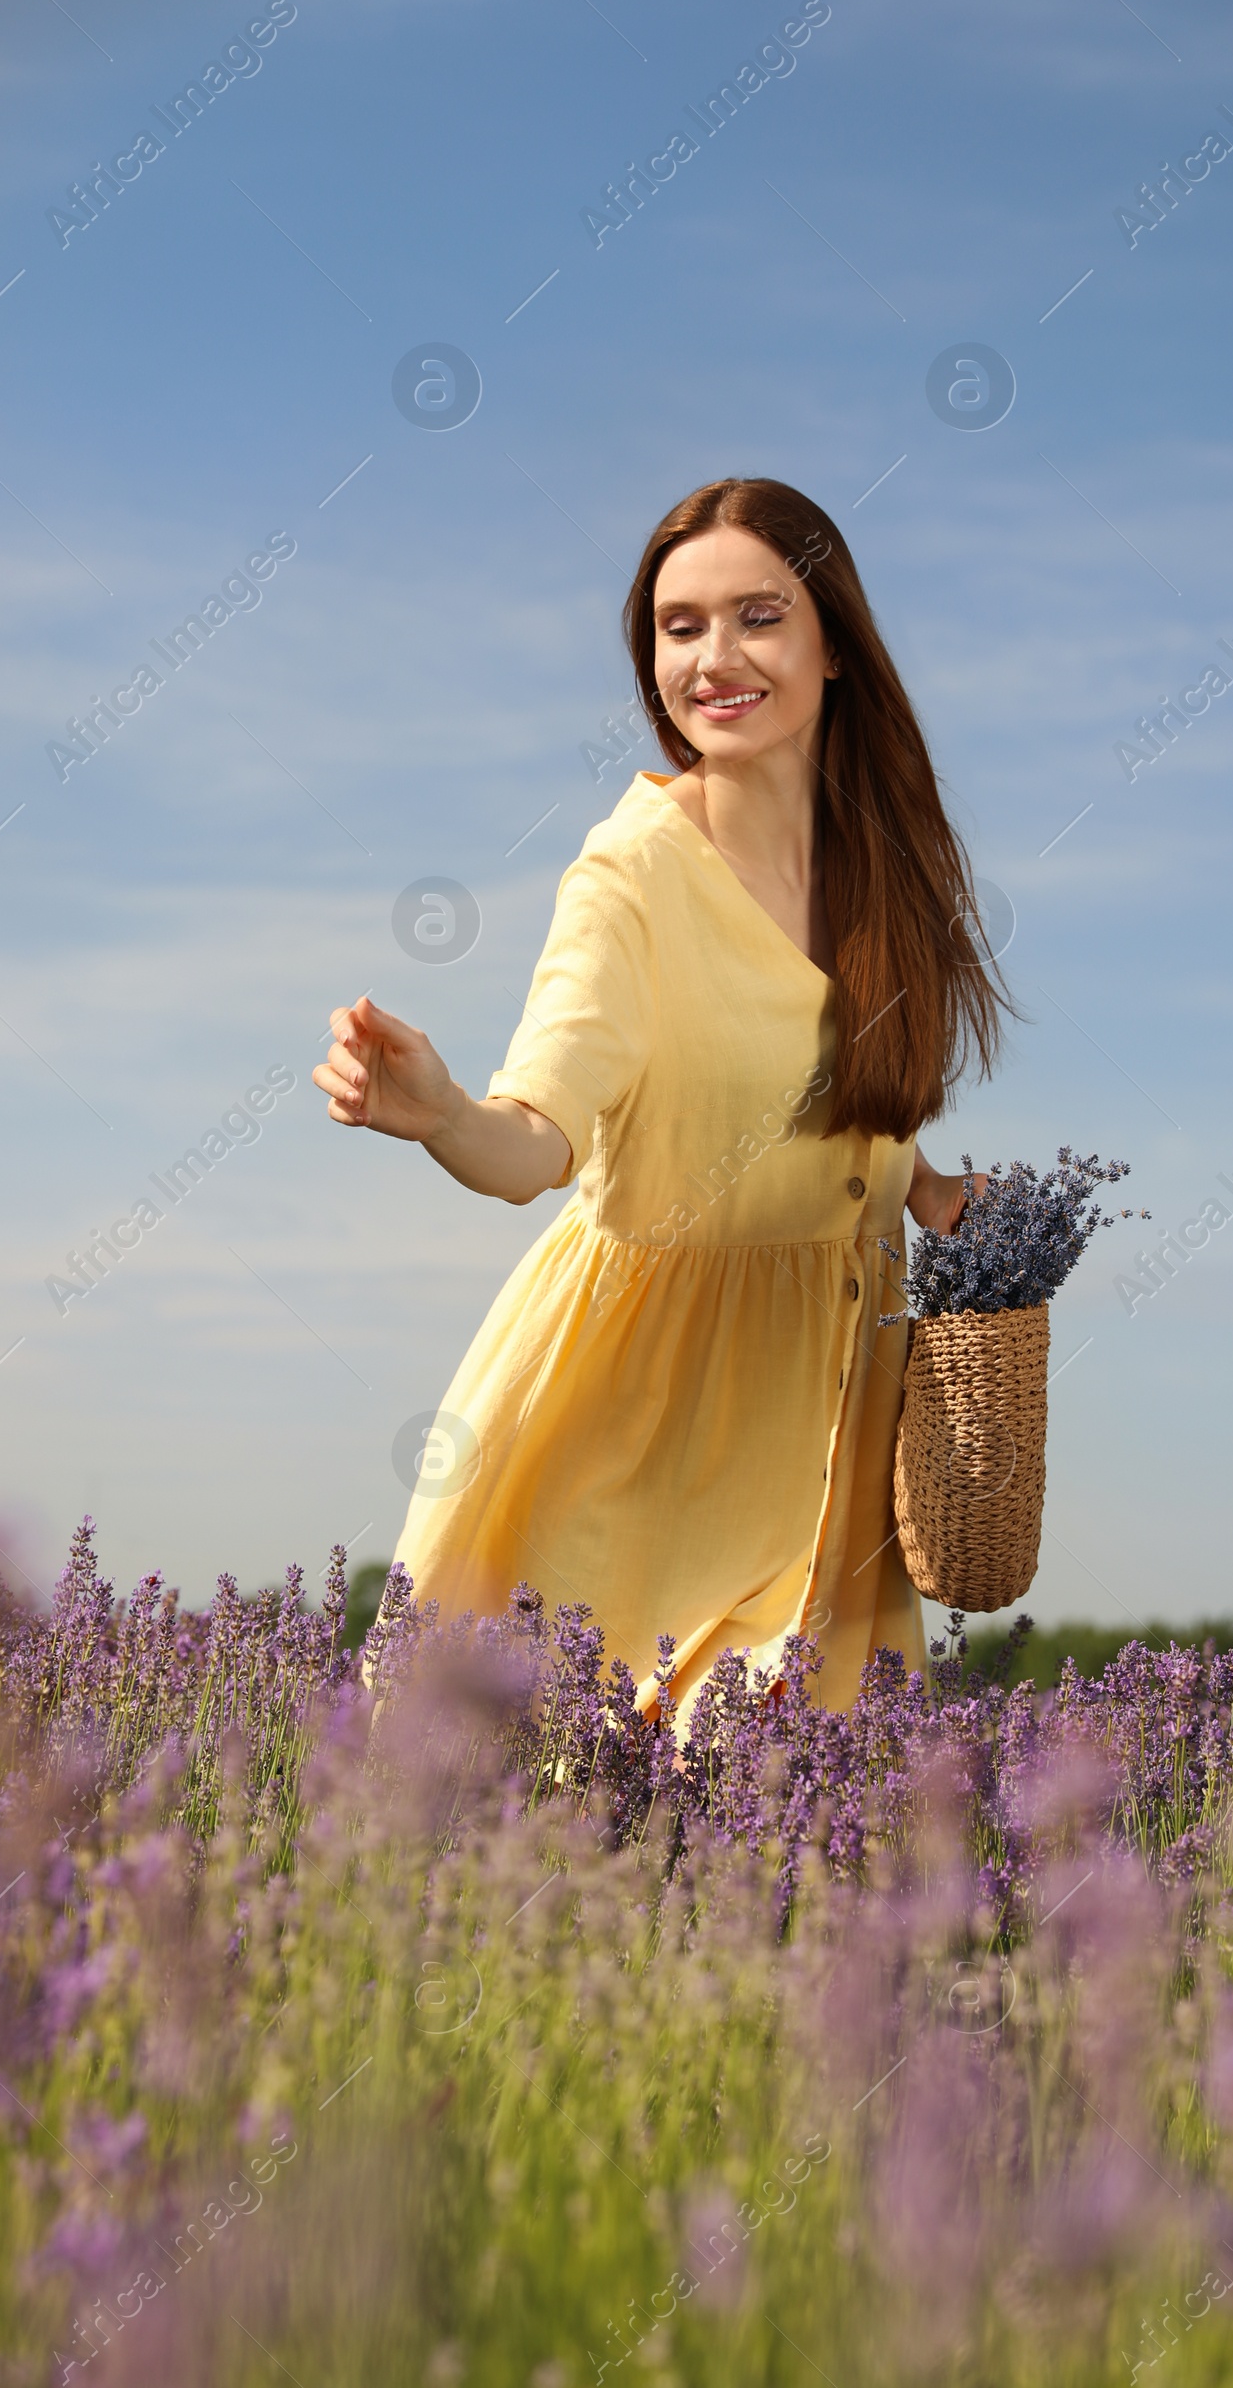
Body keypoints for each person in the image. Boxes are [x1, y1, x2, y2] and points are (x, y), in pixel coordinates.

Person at [312, 477, 1010, 1715]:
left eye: (757, 616)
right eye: (680, 626)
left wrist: (943, 1196)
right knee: (606, 1811)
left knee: (801, 1854)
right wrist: (439, 1117)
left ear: (833, 644)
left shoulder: (884, 868)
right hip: (644, 1424)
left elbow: (843, 1113)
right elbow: (533, 1144)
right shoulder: (630, 872)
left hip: (837, 1412)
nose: (715, 658)